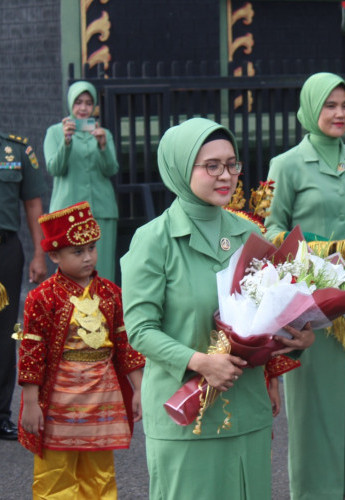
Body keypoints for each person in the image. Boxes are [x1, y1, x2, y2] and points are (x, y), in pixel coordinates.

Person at [120, 117, 314, 499]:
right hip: (184, 416)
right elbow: (141, 330)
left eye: (232, 164)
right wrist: (200, 361)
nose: (226, 175)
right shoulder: (153, 241)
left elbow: (266, 317)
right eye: (212, 166)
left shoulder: (249, 234)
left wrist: (298, 335)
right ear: (180, 167)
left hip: (246, 412)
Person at [265, 72, 345, 500]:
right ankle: (315, 491)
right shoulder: (286, 165)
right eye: (329, 105)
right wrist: (315, 256)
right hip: (311, 305)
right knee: (314, 406)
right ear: (309, 109)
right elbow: (272, 229)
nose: (339, 114)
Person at [17, 201, 145, 498]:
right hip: (59, 398)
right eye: (78, 251)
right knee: (55, 476)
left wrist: (140, 389)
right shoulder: (41, 297)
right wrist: (31, 402)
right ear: (53, 255)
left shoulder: (112, 294)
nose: (88, 258)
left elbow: (126, 345)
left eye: (92, 248)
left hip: (102, 397)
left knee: (100, 476)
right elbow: (31, 352)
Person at [44, 81, 119, 281]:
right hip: (68, 212)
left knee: (101, 270)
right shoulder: (55, 133)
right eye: (78, 103)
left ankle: (104, 311)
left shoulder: (103, 134)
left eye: (88, 103)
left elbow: (111, 169)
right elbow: (54, 168)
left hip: (100, 210)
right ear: (70, 105)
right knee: (71, 269)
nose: (83, 108)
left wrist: (102, 146)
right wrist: (66, 142)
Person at [0, 131, 47, 440]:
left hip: (5, 249)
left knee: (4, 332)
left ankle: (1, 413)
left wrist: (39, 254)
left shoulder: (15, 149)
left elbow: (33, 204)